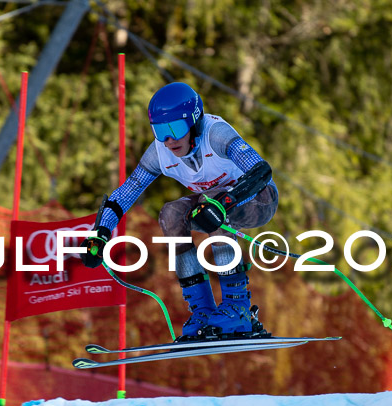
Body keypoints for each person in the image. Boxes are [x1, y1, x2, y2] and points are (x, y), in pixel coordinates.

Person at [80, 82, 278, 340]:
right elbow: (127, 193)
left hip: (258, 199)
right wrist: (101, 233)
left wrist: (225, 202)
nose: (169, 139)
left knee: (212, 202)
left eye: (175, 128)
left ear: (195, 123)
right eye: (160, 131)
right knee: (171, 215)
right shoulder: (160, 151)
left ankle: (237, 308)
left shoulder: (215, 135)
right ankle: (203, 311)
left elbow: (261, 172)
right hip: (215, 203)